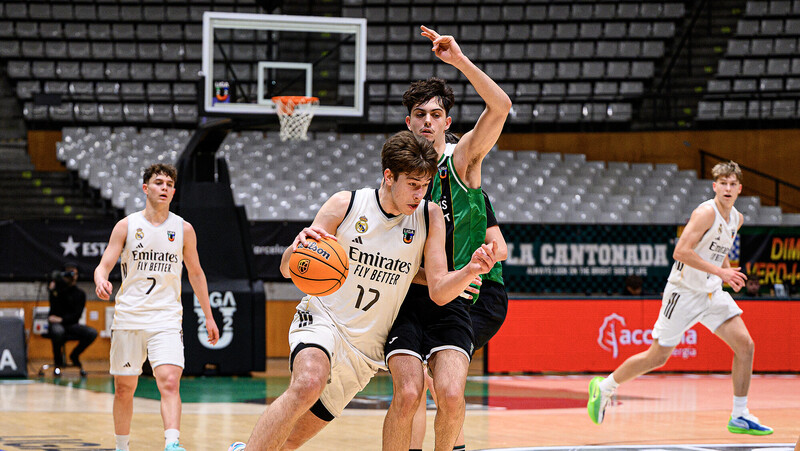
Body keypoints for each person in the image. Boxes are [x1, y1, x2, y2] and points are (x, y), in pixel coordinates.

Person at [234, 131, 497, 451]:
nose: (420, 193)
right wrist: (295, 249)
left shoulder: (429, 217)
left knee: (290, 441)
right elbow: (288, 269)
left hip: (364, 350)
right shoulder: (345, 205)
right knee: (307, 383)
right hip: (324, 318)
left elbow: (439, 289)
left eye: (425, 185)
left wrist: (470, 270)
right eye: (412, 184)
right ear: (389, 177)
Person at [383, 25, 511, 451]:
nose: (427, 121)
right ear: (408, 122)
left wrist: (457, 60)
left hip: (460, 294)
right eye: (420, 114)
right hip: (410, 292)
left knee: (447, 390)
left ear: (447, 122)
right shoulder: (397, 174)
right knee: (410, 392)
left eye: (435, 114)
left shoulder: (462, 160)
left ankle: (451, 443)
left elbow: (501, 107)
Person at [587, 161, 773, 436]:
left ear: (740, 188)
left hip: (712, 293)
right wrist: (720, 270)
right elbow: (681, 252)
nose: (728, 188)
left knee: (745, 346)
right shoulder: (704, 213)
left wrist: (726, 271)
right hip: (683, 293)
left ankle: (740, 415)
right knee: (657, 357)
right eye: (723, 183)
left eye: (733, 184)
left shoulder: (737, 218)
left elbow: (717, 246)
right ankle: (605, 387)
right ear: (715, 186)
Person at [94, 163, 220, 451]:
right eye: (158, 182)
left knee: (170, 380)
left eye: (168, 184)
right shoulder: (126, 226)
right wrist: (101, 280)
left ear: (173, 192)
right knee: (124, 389)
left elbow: (196, 273)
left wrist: (209, 317)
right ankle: (122, 446)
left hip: (166, 318)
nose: (164, 188)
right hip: (129, 317)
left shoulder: (184, 229)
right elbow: (103, 266)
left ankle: (172, 444)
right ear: (145, 188)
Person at [47, 262, 98, 376]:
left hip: (71, 324)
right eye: (68, 272)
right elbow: (53, 309)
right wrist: (52, 290)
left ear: (77, 275)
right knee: (57, 331)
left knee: (92, 333)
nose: (71, 275)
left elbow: (76, 315)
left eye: (73, 273)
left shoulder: (80, 294)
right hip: (56, 325)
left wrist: (61, 320)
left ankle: (74, 355)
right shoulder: (57, 291)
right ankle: (58, 362)